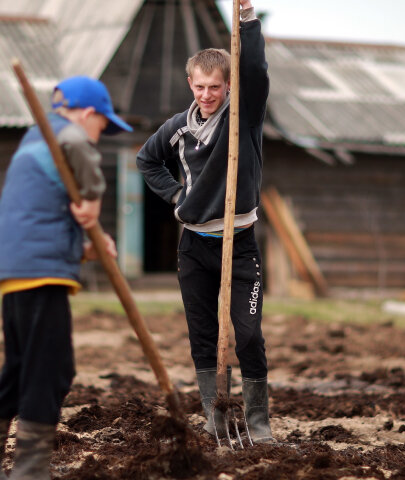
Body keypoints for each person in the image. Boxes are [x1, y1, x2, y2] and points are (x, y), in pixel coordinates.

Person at [0, 76, 131, 480]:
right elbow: (79, 149)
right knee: (51, 369)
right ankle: (30, 472)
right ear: (89, 114)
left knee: (22, 366)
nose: (99, 135)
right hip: (41, 274)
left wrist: (90, 245)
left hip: (16, 268)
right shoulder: (67, 137)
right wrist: (93, 197)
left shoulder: (34, 139)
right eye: (103, 126)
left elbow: (43, 212)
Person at [135, 0, 273, 444]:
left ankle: (257, 421)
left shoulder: (243, 117)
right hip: (195, 246)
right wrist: (178, 196)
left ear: (228, 86)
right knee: (202, 333)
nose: (207, 95)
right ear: (190, 84)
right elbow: (147, 160)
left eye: (215, 87)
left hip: (241, 242)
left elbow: (257, 74)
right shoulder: (178, 127)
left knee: (247, 334)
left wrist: (247, 21)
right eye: (200, 87)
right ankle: (215, 417)